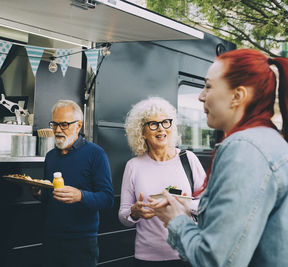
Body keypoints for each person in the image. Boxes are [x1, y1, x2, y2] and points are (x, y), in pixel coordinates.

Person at [150, 49, 288, 267]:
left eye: (209, 86)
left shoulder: (244, 150)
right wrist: (188, 206)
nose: (201, 95)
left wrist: (176, 220)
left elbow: (216, 260)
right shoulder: (268, 142)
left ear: (237, 96)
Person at [118, 97, 205, 267]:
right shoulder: (133, 166)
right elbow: (123, 215)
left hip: (186, 252)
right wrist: (135, 213)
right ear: (142, 132)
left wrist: (184, 205)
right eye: (153, 124)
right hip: (146, 257)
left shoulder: (188, 159)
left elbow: (208, 203)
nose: (161, 129)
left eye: (166, 122)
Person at [33, 100, 114, 267]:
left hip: (81, 242)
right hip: (51, 239)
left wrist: (80, 196)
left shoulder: (95, 154)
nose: (57, 130)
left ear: (79, 126)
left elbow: (107, 199)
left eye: (64, 124)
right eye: (54, 124)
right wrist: (39, 193)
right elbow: (51, 197)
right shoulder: (50, 156)